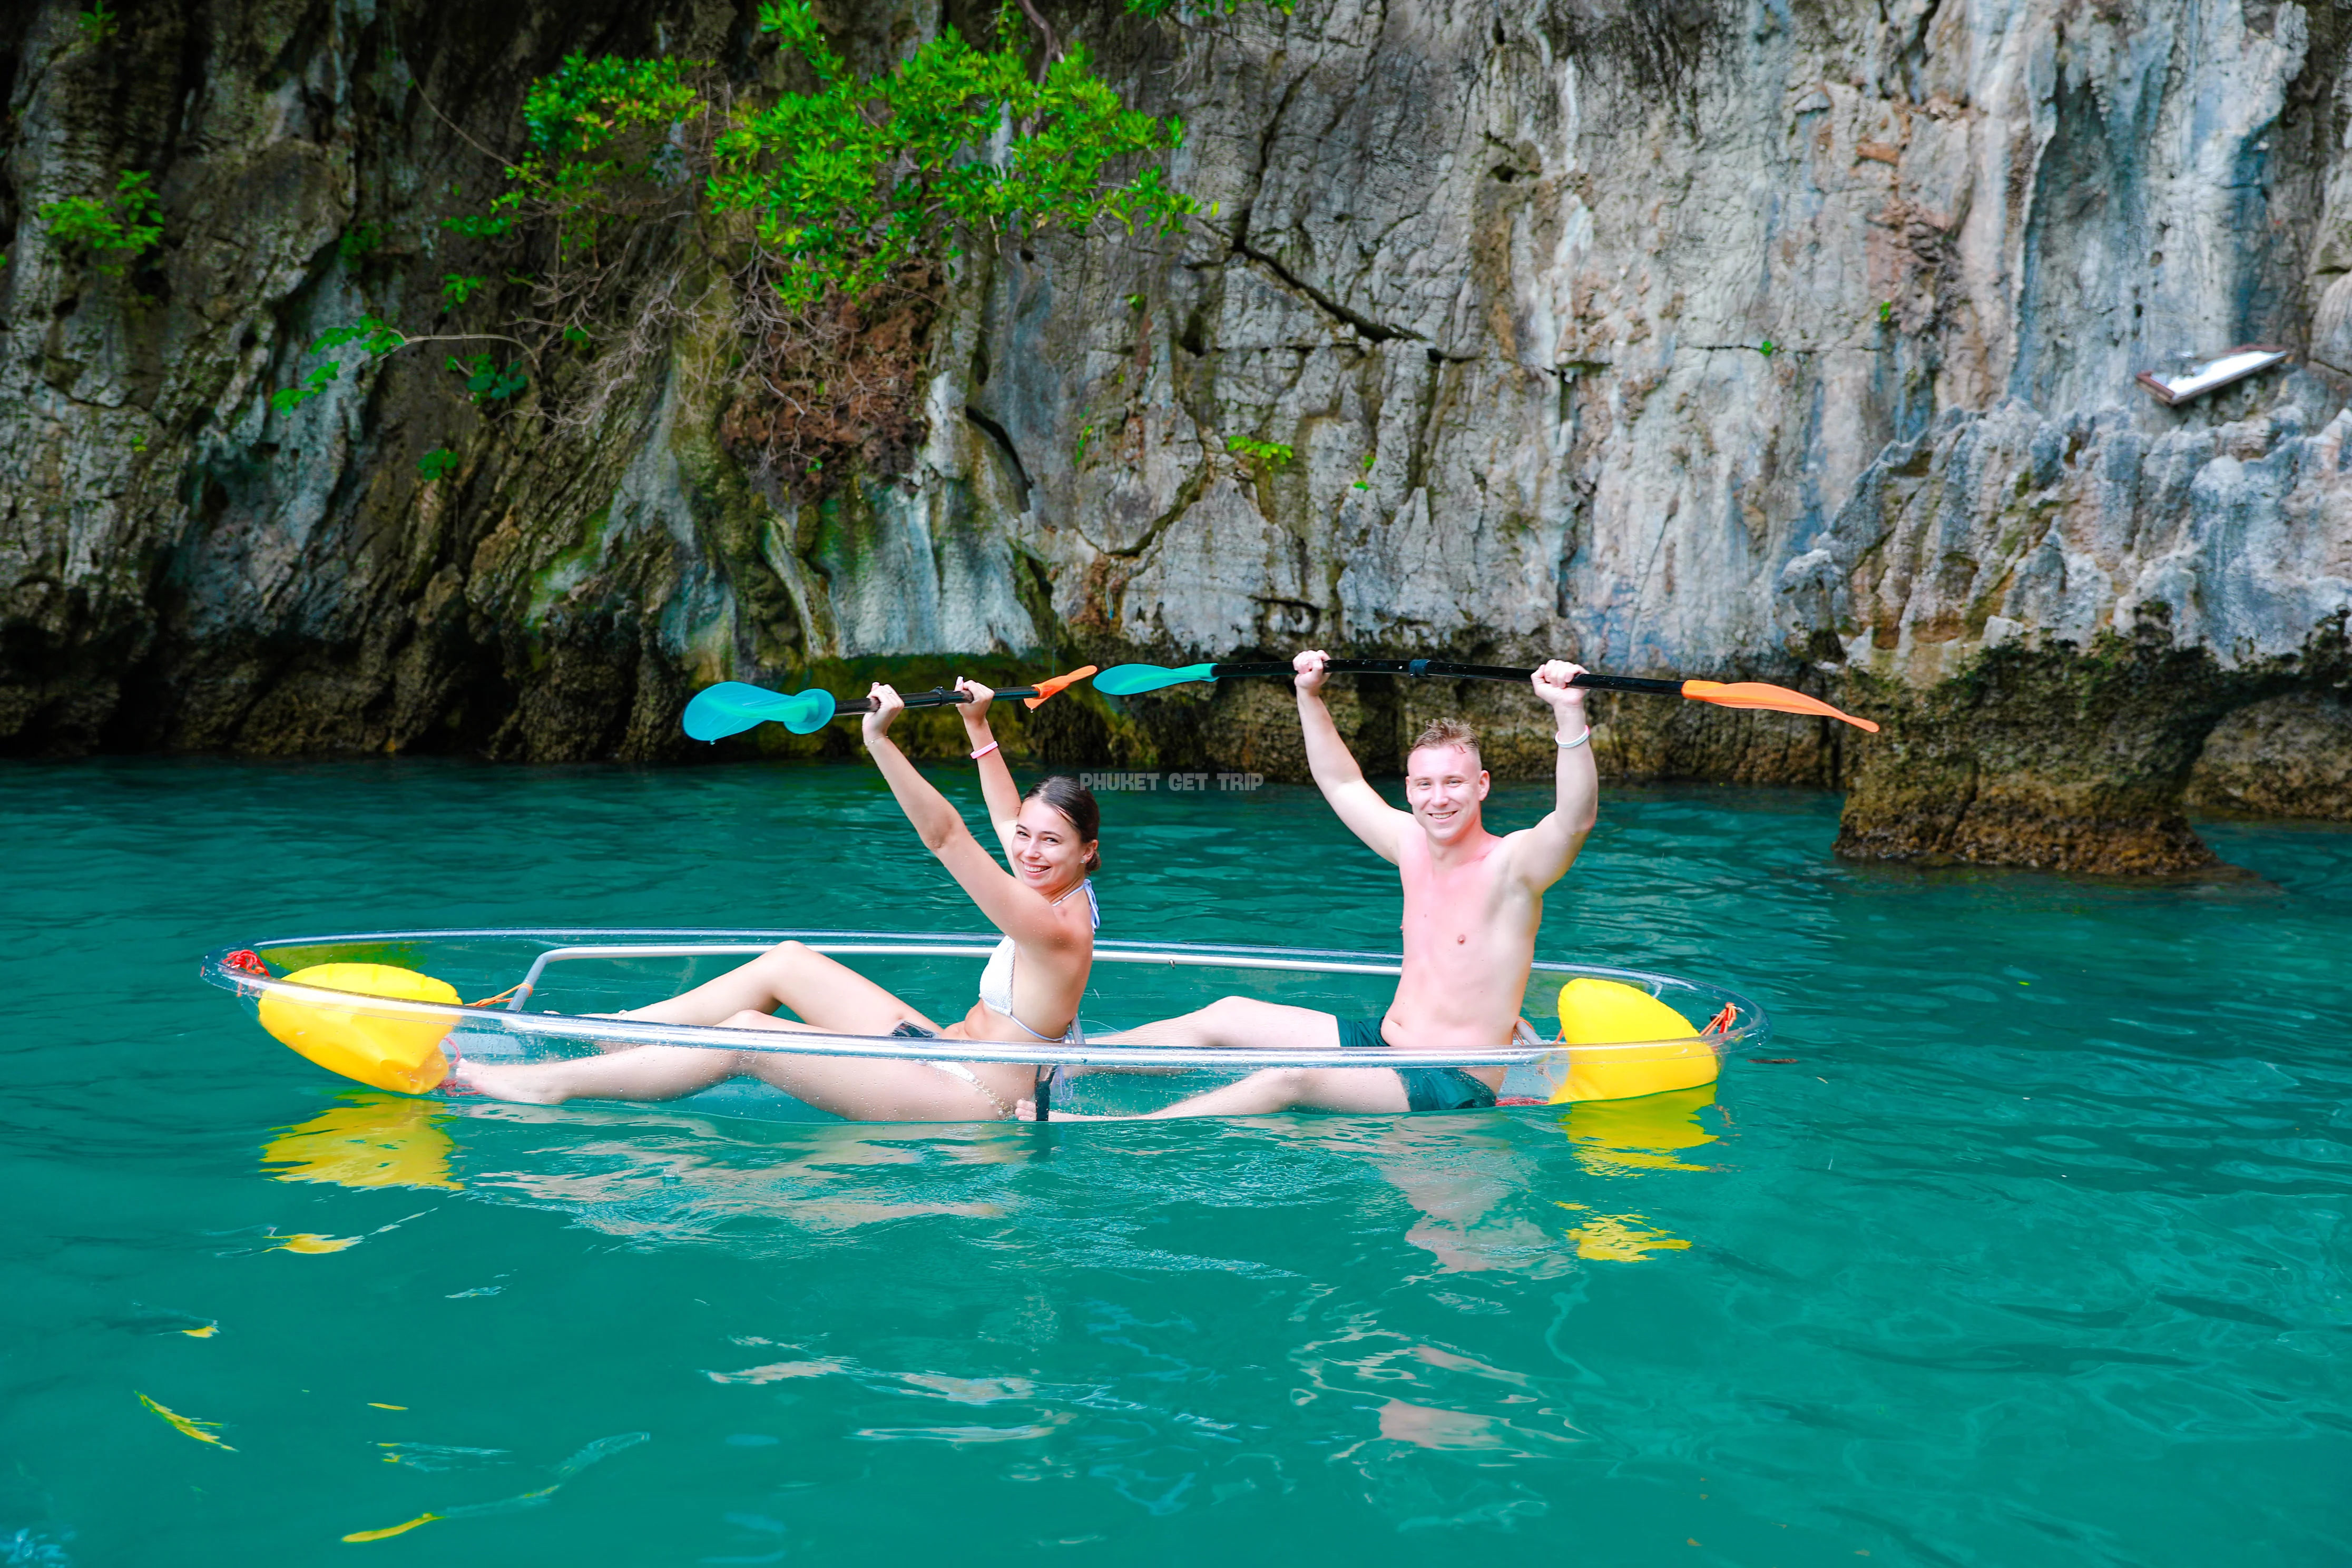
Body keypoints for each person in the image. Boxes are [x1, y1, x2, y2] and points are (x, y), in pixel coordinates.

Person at [449, 679, 1099, 1121]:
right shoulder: (1055, 882)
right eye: (1027, 839)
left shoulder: (1054, 928)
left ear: (1087, 854)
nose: (1030, 852)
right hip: (941, 1049)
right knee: (786, 961)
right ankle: (622, 1036)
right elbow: (1009, 818)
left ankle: (546, 1085)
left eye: (1052, 843)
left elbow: (945, 835)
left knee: (746, 1037)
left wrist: (879, 742)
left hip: (970, 1099)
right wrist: (976, 722)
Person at [1053, 648, 1596, 1118]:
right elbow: (1340, 782)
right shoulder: (1410, 843)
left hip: (1452, 1080)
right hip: (1386, 1041)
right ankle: (1059, 1061)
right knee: (1228, 1013)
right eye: (1426, 784)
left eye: (1454, 782)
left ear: (1481, 786)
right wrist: (1309, 694)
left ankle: (1109, 1129)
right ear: (1409, 790)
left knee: (1290, 1078)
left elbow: (1573, 820)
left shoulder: (1513, 868)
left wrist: (1569, 715)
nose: (1440, 798)